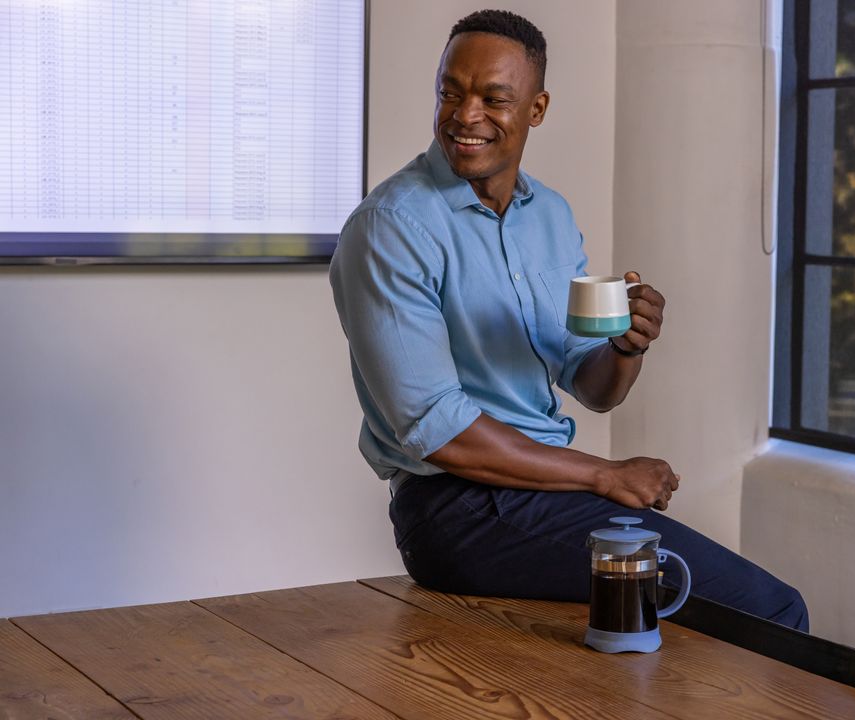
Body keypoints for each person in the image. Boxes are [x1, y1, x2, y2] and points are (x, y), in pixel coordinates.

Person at [330, 9, 807, 631]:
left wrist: (628, 348)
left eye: (493, 97)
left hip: (545, 493)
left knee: (699, 618)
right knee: (774, 610)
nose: (464, 114)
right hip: (456, 510)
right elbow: (439, 431)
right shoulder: (390, 227)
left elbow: (590, 384)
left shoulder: (549, 215)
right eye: (451, 91)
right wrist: (606, 475)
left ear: (537, 108)